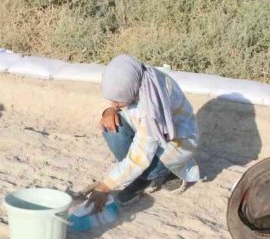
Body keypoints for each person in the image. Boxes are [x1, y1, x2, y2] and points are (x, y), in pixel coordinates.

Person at [82, 55, 200, 210]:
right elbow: (122, 106)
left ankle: (161, 174)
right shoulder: (140, 78)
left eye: (117, 101)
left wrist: (104, 187)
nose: (114, 104)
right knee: (110, 126)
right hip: (150, 137)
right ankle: (142, 175)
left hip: (173, 147)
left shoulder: (151, 106)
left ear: (131, 88)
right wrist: (110, 110)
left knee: (144, 166)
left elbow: (141, 156)